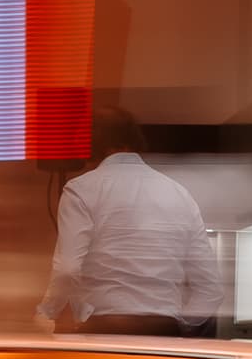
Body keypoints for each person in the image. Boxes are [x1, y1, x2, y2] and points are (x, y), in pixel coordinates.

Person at [40, 106, 221, 336]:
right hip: (166, 332)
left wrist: (47, 312)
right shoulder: (180, 194)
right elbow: (211, 290)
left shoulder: (80, 190)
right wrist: (179, 326)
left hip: (103, 330)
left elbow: (67, 270)